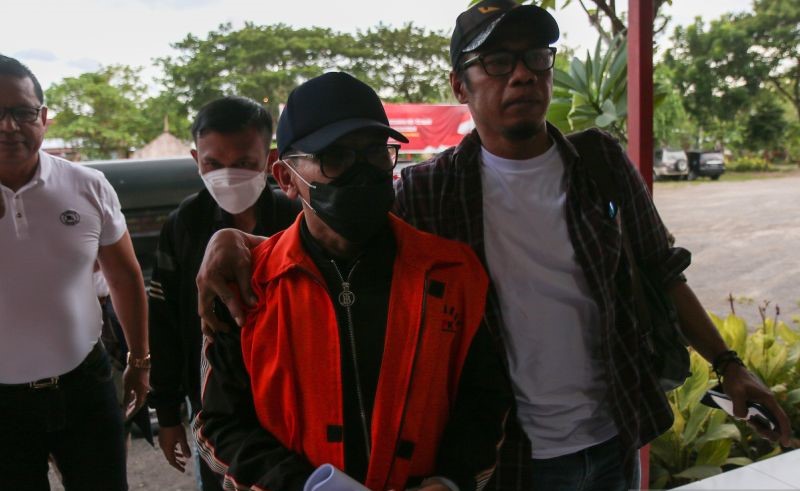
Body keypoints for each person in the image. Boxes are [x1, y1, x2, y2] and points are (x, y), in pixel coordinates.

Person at [195, 2, 793, 490]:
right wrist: (233, 238)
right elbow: (332, 231)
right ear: (460, 84)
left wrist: (730, 365)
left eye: (536, 56)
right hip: (513, 461)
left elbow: (664, 271)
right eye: (498, 61)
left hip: (613, 438)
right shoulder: (430, 189)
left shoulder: (601, 164)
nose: (523, 74)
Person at [192, 71, 512, 491]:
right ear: (286, 178)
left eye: (375, 152)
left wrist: (450, 480)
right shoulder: (246, 288)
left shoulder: (451, 273)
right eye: (336, 156)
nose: (362, 171)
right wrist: (305, 486)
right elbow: (220, 424)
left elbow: (484, 400)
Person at [0, 54, 149, 490]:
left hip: (84, 383)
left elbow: (125, 277)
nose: (8, 126)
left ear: (43, 117)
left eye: (22, 112)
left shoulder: (88, 185)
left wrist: (140, 361)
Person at [148, 95, 300, 490]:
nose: (228, 176)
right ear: (196, 159)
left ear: (270, 159)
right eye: (213, 164)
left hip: (292, 394)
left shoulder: (297, 218)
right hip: (212, 403)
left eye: (244, 163)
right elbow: (164, 323)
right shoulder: (184, 226)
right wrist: (167, 413)